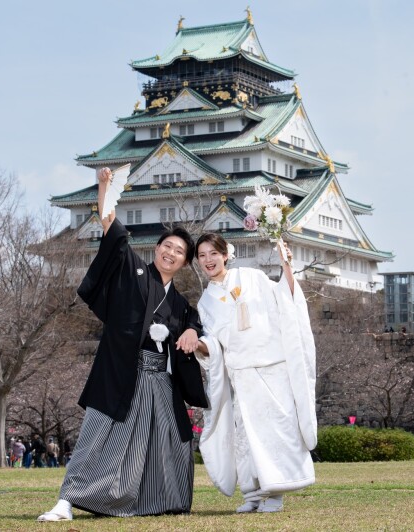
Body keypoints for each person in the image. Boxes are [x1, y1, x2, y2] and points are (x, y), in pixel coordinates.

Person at [37, 167, 207, 522]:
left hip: (161, 381)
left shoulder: (182, 304)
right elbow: (111, 225)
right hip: (122, 371)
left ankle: (158, 501)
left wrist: (193, 333)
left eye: (179, 252)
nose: (171, 254)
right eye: (167, 247)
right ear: (157, 249)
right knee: (98, 435)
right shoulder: (134, 271)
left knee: (166, 441)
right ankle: (66, 501)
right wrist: (104, 187)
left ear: (185, 262)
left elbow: (195, 327)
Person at [194, 233, 317, 513]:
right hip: (241, 373)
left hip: (272, 366)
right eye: (202, 256)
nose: (208, 260)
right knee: (246, 436)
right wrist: (201, 346)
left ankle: (275, 493)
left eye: (213, 253)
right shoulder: (205, 303)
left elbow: (284, 299)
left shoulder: (251, 276)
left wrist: (287, 265)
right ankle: (252, 494)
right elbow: (214, 342)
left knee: (276, 431)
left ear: (225, 254)